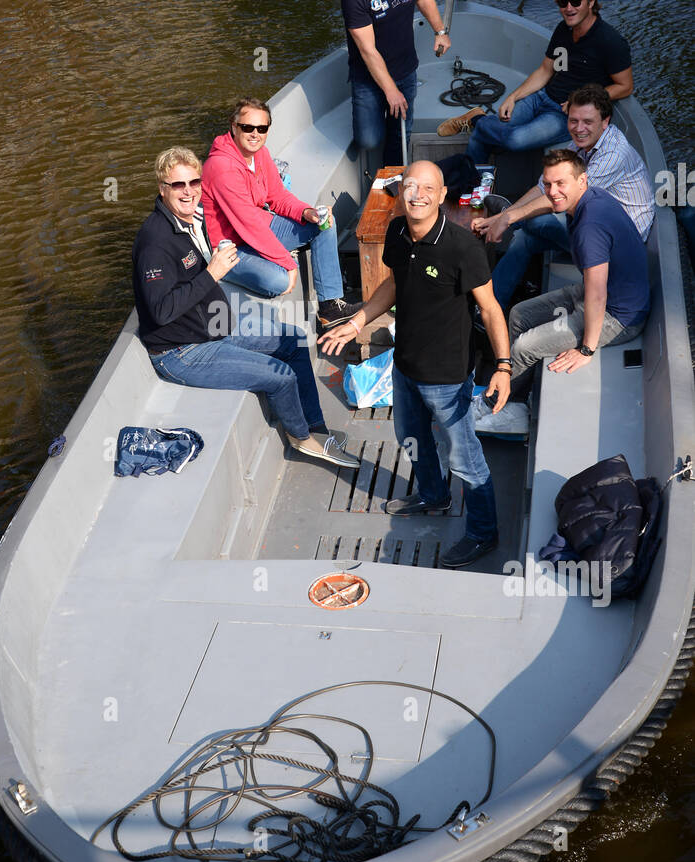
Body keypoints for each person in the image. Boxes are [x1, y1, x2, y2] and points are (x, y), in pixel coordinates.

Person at [319, 161, 512, 569]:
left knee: (464, 456)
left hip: (446, 375)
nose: (418, 194)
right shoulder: (396, 232)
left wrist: (503, 367)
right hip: (404, 365)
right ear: (400, 191)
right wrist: (356, 322)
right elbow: (395, 281)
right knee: (410, 434)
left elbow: (492, 310)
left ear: (442, 196)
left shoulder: (463, 248)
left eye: (428, 188)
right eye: (410, 186)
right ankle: (432, 494)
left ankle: (483, 532)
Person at [132, 147, 360, 470]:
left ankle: (316, 427)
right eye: (177, 185)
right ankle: (301, 439)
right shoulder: (154, 242)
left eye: (193, 182)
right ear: (162, 189)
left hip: (212, 324)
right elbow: (161, 311)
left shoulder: (189, 221)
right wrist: (213, 273)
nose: (188, 191)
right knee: (280, 376)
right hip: (183, 351)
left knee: (293, 341)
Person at [473, 85, 655, 312]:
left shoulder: (613, 154)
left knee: (534, 222)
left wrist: (508, 218)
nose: (579, 129)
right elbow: (542, 187)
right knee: (524, 239)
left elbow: (562, 199)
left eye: (587, 122)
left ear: (605, 121)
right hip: (594, 227)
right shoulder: (583, 144)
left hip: (619, 246)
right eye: (573, 121)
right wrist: (502, 216)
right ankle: (490, 309)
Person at [201, 98, 361, 328]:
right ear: (234, 127)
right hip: (232, 247)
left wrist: (306, 211)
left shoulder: (260, 154)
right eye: (247, 127)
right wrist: (288, 263)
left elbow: (277, 197)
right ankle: (242, 268)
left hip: (261, 227)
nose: (255, 134)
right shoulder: (222, 167)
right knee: (280, 280)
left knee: (324, 224)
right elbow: (248, 226)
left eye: (262, 128)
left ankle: (330, 306)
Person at [505, 149, 650, 402]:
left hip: (618, 317)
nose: (552, 192)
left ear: (582, 180)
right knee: (519, 315)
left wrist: (586, 349)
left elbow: (597, 295)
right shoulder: (592, 198)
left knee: (523, 347)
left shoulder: (589, 227)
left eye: (561, 183)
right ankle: (518, 392)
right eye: (548, 184)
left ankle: (505, 407)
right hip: (591, 298)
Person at [457, 0, 633, 163]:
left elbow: (625, 86)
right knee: (487, 132)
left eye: (575, 2)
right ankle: (469, 183)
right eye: (563, 3)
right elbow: (545, 70)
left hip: (567, 114)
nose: (569, 8)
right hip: (542, 97)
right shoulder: (563, 30)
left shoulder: (610, 41)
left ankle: (477, 120)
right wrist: (513, 97)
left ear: (590, 2)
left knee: (514, 139)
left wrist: (581, 101)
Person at [341, 0, 451, 179]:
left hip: (405, 70)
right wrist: (390, 90)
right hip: (368, 78)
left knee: (402, 130)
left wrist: (440, 30)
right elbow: (367, 50)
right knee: (368, 140)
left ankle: (394, 178)